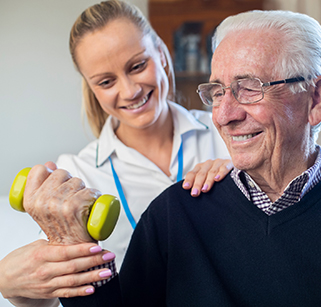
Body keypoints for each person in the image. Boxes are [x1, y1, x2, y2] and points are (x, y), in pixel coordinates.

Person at [11, 9, 321, 307]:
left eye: (249, 88)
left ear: (315, 98)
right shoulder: (171, 213)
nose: (223, 116)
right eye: (218, 91)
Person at [0, 0, 231, 306]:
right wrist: (9, 284)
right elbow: (58, 293)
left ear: (161, 53)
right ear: (91, 88)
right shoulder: (75, 176)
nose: (130, 90)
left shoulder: (226, 134)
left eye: (137, 66)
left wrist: (244, 174)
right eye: (107, 82)